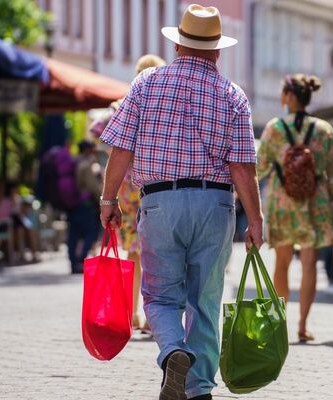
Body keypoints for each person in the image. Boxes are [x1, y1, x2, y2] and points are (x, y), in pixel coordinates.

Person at [98, 5, 262, 400]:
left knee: (159, 296)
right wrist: (256, 220)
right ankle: (200, 388)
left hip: (160, 203)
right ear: (217, 51)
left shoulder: (146, 83)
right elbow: (243, 168)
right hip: (214, 205)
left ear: (177, 45)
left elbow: (120, 150)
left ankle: (173, 350)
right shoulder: (233, 95)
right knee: (204, 299)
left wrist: (108, 199)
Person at [256, 73, 333, 342]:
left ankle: (279, 321)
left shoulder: (273, 128)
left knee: (281, 263)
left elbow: (259, 168)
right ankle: (303, 325)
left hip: (282, 202)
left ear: (291, 96)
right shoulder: (323, 130)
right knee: (309, 264)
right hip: (313, 204)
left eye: (284, 93)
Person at [91, 53, 167, 334]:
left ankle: (131, 313)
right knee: (154, 253)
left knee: (132, 253)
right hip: (150, 187)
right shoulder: (158, 106)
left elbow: (96, 130)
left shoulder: (121, 106)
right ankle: (150, 316)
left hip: (124, 190)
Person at [68, 140, 103, 274]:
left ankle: (73, 263)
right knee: (90, 233)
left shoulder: (72, 162)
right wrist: (101, 200)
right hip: (85, 205)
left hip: (71, 203)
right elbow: (92, 187)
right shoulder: (86, 164)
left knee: (73, 234)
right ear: (88, 150)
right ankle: (80, 261)